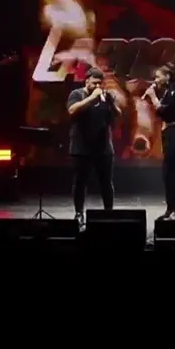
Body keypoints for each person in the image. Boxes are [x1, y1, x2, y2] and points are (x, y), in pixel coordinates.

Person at [67, 68, 121, 229]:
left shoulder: (105, 97)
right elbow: (72, 110)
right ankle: (79, 213)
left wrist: (111, 103)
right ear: (87, 81)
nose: (98, 86)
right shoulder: (77, 94)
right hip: (82, 146)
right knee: (80, 181)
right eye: (94, 83)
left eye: (100, 83)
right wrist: (91, 98)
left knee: (106, 182)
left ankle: (108, 213)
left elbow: (117, 116)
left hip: (103, 146)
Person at [144, 64, 175, 221]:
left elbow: (164, 111)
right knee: (168, 174)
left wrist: (152, 96)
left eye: (158, 77)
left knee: (173, 174)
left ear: (167, 76)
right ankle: (171, 208)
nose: (155, 80)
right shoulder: (169, 92)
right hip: (169, 135)